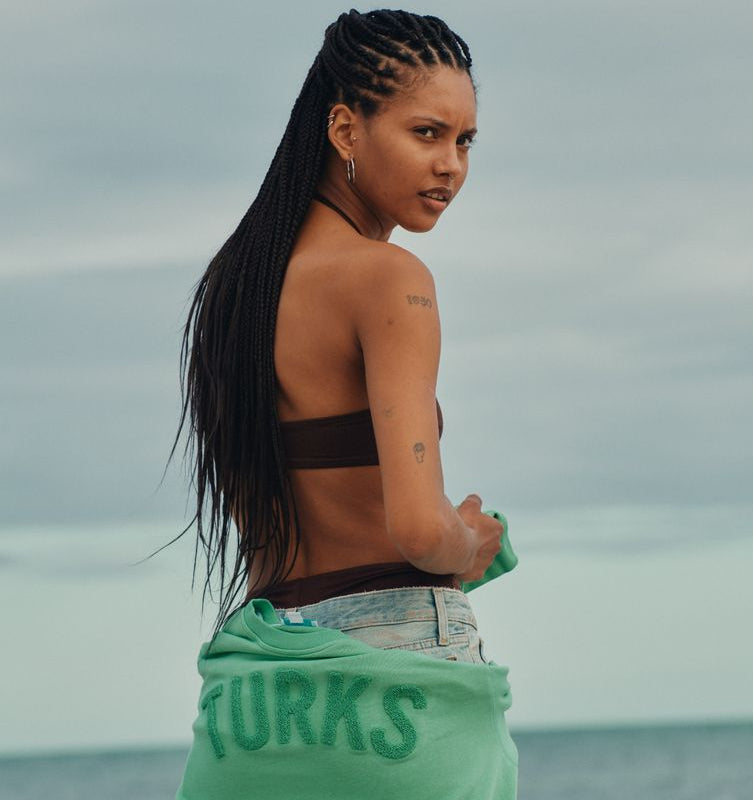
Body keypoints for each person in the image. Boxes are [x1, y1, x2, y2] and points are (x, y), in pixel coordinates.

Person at [167, 9, 518, 798]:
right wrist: (471, 542)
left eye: (464, 142)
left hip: (256, 693)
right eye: (426, 133)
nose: (451, 166)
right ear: (345, 129)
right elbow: (418, 530)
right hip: (396, 684)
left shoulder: (235, 291)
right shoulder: (388, 277)